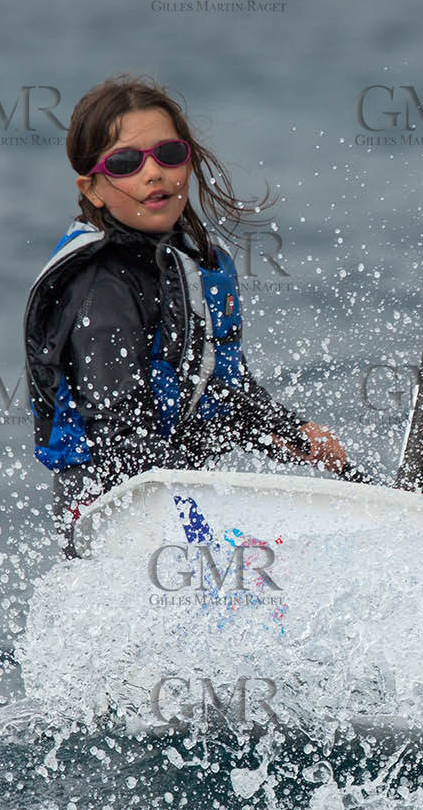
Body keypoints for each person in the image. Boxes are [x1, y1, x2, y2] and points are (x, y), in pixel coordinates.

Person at [24, 74, 348, 556]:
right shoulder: (100, 289)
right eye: (126, 163)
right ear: (92, 189)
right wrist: (221, 510)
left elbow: (221, 396)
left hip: (175, 497)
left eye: (169, 154)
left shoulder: (186, 263)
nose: (153, 173)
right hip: (113, 517)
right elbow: (119, 441)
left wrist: (292, 434)